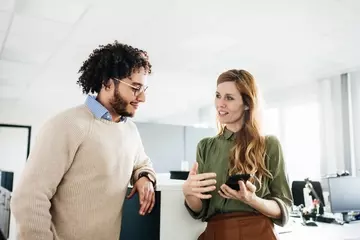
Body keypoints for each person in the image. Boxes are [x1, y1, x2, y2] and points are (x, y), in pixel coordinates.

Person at [10, 41, 157, 240]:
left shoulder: (130, 130)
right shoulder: (66, 125)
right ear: (107, 82)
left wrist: (145, 177)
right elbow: (28, 199)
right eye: (135, 88)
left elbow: (142, 162)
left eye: (144, 89)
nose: (142, 98)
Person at [182, 69, 293, 240]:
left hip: (258, 233)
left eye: (229, 98)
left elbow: (283, 207)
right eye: (218, 95)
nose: (220, 103)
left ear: (247, 104)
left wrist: (251, 199)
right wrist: (189, 192)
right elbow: (200, 210)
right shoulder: (205, 146)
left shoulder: (269, 145)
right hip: (215, 233)